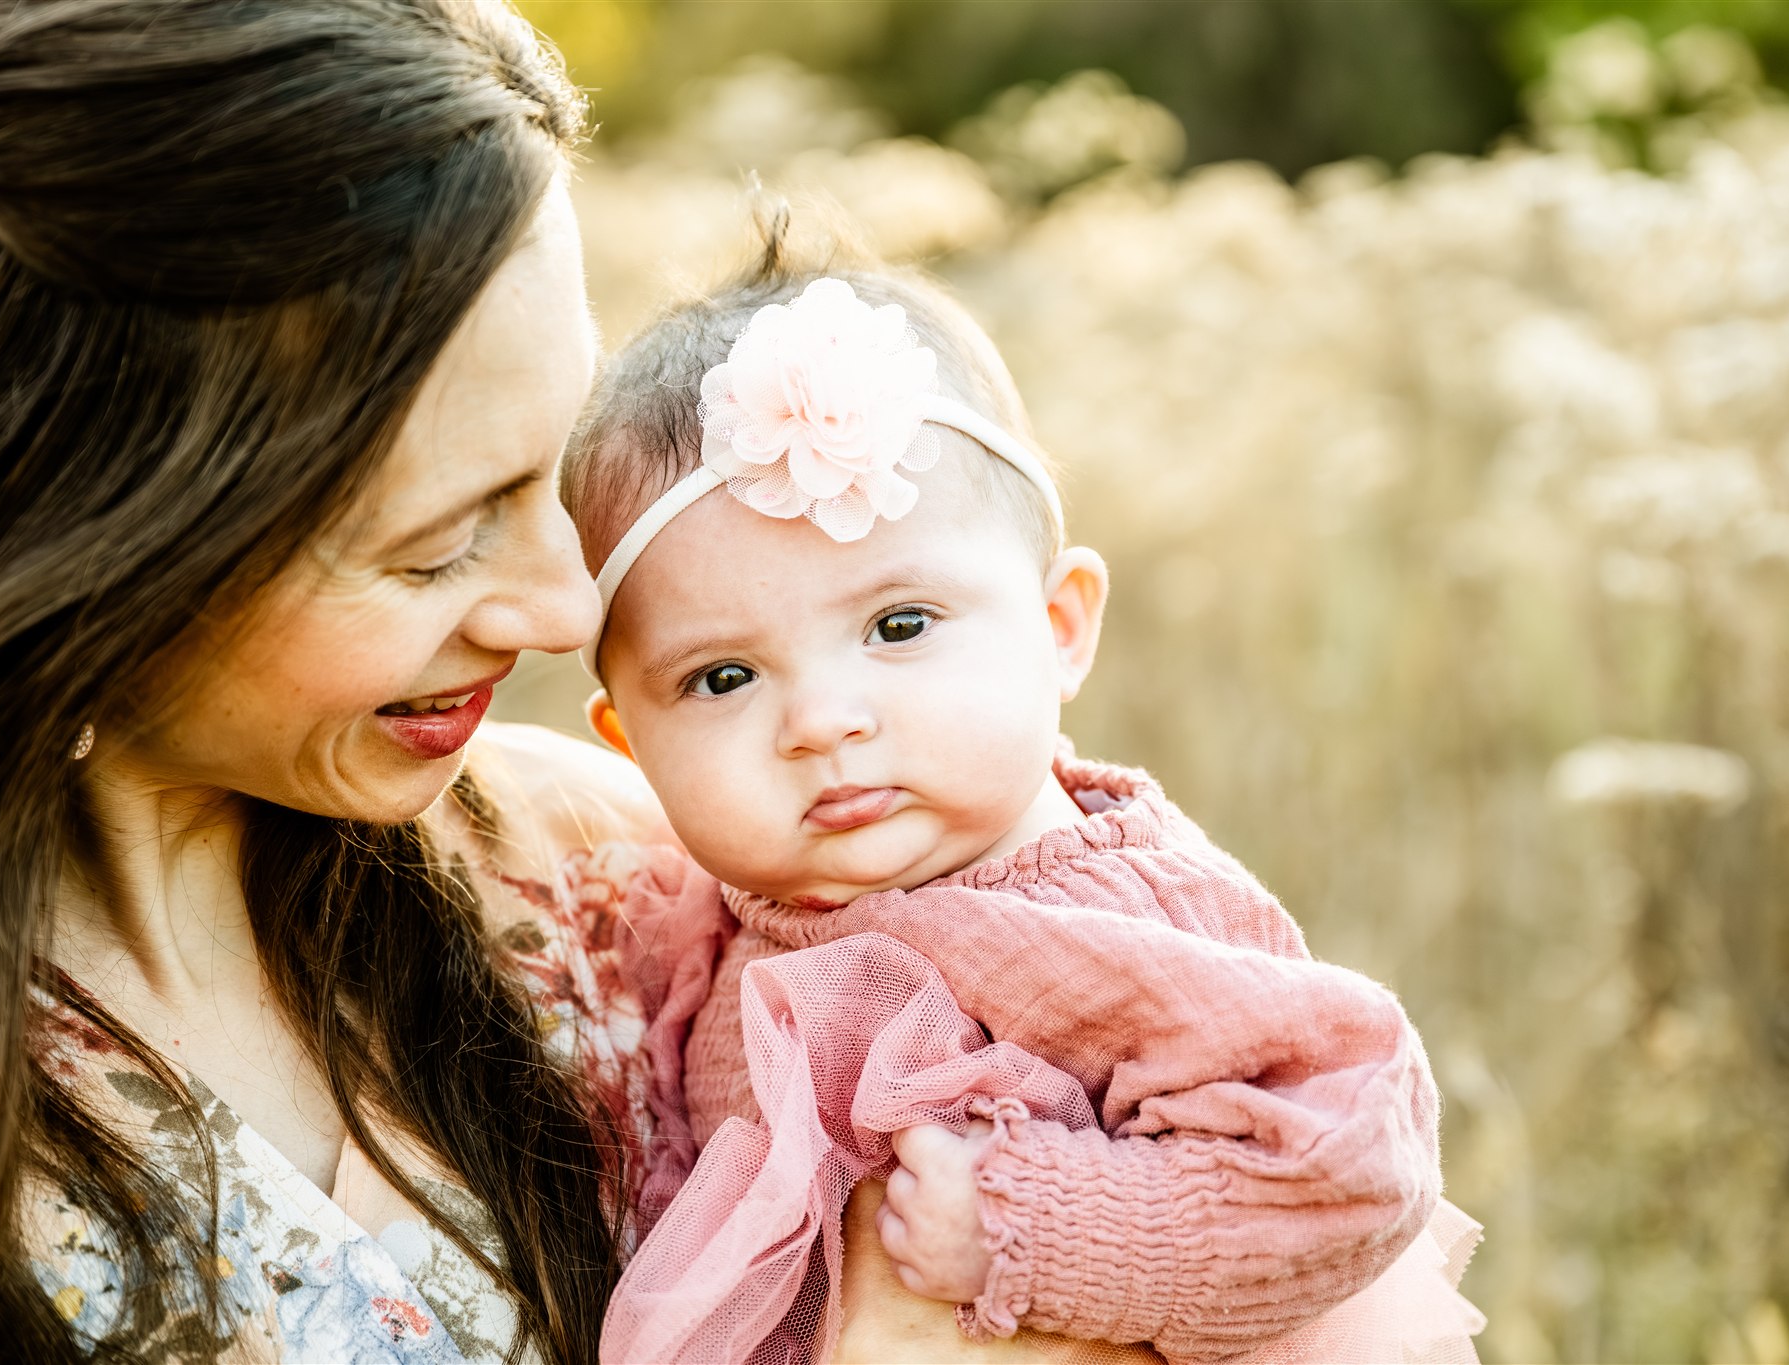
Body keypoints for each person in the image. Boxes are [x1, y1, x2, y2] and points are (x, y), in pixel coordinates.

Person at [0, 2, 693, 1361]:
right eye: (435, 548)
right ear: (86, 542)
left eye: (556, 467)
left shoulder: (617, 882)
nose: (569, 607)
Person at [562, 249, 1487, 1363]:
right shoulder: (711, 923)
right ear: (627, 738)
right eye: (722, 678)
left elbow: (1346, 1165)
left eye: (898, 625)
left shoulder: (1107, 911)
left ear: (1058, 628)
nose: (821, 720)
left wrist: (1025, 1225)